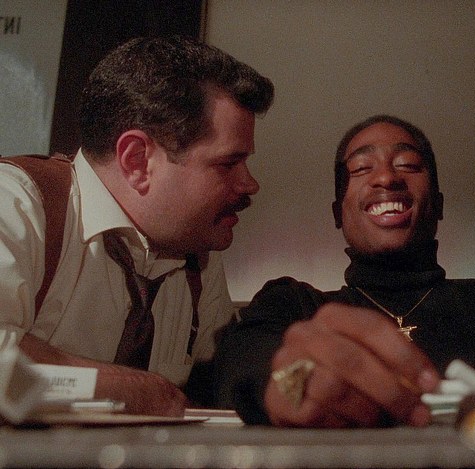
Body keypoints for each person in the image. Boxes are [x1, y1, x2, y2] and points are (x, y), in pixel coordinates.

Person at [214, 114, 475, 427]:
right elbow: (237, 368)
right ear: (337, 214)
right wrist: (286, 380)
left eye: (408, 165)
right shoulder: (293, 305)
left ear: (438, 204)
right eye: (361, 168)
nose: (386, 178)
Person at [0, 36, 274, 416]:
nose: (250, 184)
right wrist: (124, 388)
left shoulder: (199, 256)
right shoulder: (16, 205)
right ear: (137, 161)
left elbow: (221, 382)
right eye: (228, 164)